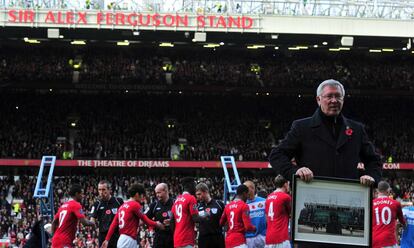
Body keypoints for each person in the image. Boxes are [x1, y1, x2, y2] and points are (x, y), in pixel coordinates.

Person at [269, 79, 382, 185]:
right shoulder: (302, 127)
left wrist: (371, 176)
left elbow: (374, 160)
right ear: (318, 100)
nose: (334, 100)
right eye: (329, 96)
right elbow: (277, 155)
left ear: (343, 99)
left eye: (338, 96)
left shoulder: (357, 129)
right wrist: (295, 171)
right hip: (312, 196)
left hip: (347, 198)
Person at [101, 183, 164, 248]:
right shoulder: (135, 205)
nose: (143, 198)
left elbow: (113, 224)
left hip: (122, 239)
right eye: (142, 195)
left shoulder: (122, 206)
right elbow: (146, 220)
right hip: (128, 239)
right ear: (137, 194)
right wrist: (156, 224)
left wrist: (107, 239)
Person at [171, 177, 207, 248]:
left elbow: (172, 221)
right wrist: (206, 215)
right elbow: (196, 218)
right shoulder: (191, 198)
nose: (195, 188)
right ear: (190, 186)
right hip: (186, 239)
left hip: (177, 239)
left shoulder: (176, 200)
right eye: (194, 185)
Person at [90, 180, 123, 248]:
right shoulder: (97, 204)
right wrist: (96, 229)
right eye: (99, 190)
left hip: (116, 235)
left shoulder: (118, 201)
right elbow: (92, 220)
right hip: (103, 237)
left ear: (109, 190)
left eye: (103, 189)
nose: (101, 192)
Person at [372, 181, 406, 248]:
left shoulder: (371, 203)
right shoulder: (396, 203)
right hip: (389, 241)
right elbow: (402, 221)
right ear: (388, 191)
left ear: (377, 191)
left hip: (374, 241)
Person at [195, 182, 225, 248]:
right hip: (203, 240)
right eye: (197, 195)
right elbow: (195, 221)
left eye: (199, 194)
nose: (198, 197)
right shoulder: (197, 207)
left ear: (206, 191)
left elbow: (226, 220)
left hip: (217, 238)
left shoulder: (219, 204)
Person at [265, 175, 291, 248]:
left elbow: (267, 218)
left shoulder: (268, 197)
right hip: (281, 238)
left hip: (269, 238)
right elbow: (292, 213)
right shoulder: (285, 197)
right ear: (285, 184)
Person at [145, 183, 174, 248]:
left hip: (172, 238)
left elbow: (181, 219)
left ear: (166, 191)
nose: (157, 195)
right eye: (156, 193)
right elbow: (144, 218)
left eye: (159, 193)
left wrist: (172, 221)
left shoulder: (175, 203)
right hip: (159, 239)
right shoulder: (154, 205)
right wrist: (155, 223)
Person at [243, 180, 266, 248]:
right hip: (248, 237)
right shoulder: (243, 204)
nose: (244, 192)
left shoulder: (264, 201)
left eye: (245, 189)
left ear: (252, 189)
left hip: (262, 236)